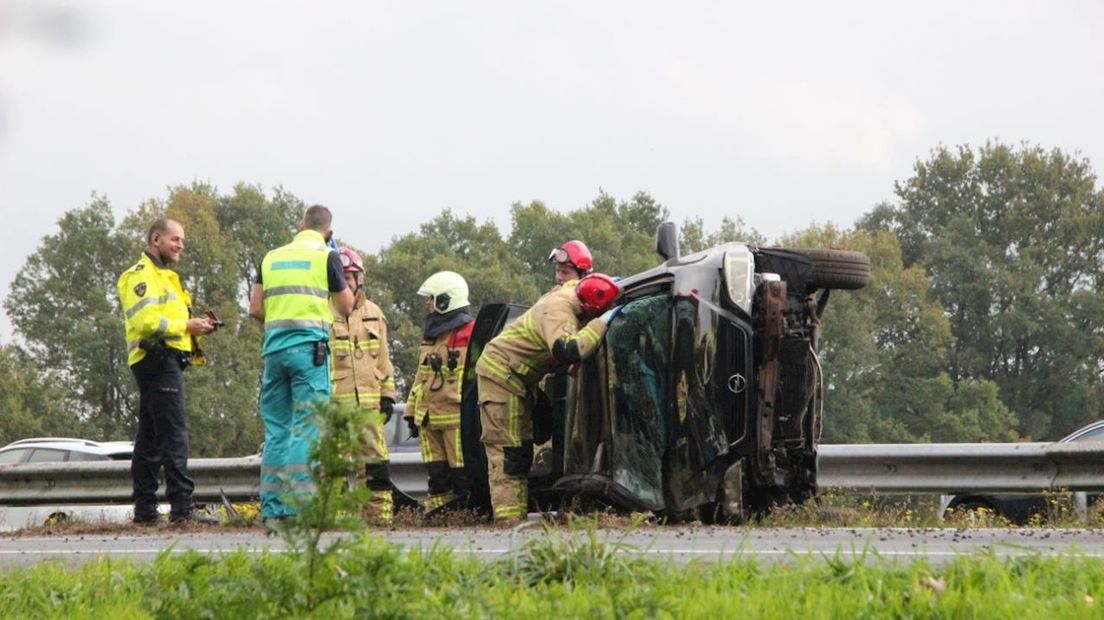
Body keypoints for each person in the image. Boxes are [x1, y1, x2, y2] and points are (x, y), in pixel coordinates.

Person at [474, 273, 621, 521]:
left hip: (519, 379)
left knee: (522, 450)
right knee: (508, 452)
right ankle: (508, 522)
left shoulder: (575, 293)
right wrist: (602, 322)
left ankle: (515, 515)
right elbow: (569, 349)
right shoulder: (560, 309)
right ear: (588, 307)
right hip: (501, 376)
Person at [249, 205, 354, 529]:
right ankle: (298, 510)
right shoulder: (326, 257)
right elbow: (346, 305)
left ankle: (272, 512)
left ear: (300, 225)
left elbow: (255, 309)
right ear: (328, 231)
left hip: (274, 352)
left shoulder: (271, 257)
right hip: (310, 352)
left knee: (277, 431)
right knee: (307, 430)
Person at [117, 217, 218, 525]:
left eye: (182, 241)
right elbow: (147, 322)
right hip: (155, 360)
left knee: (150, 436)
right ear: (155, 239)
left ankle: (145, 510)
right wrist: (187, 325)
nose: (180, 246)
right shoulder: (140, 275)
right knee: (174, 433)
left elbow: (170, 324)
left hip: (164, 359)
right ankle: (182, 508)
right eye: (176, 239)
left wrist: (197, 329)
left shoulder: (167, 276)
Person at [329, 246, 397, 525]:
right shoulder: (323, 311)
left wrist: (388, 396)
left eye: (349, 277)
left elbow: (383, 358)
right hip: (336, 408)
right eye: (339, 277)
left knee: (375, 470)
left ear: (360, 278)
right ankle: (337, 527)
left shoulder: (374, 313)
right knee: (335, 471)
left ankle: (379, 523)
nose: (344, 283)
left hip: (369, 408)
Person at [404, 271, 476, 513]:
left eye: (431, 299)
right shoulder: (431, 336)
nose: (428, 304)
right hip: (428, 420)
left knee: (462, 474)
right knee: (437, 477)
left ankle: (467, 515)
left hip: (456, 422)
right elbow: (420, 377)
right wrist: (410, 413)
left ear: (445, 300)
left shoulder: (472, 333)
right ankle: (439, 517)